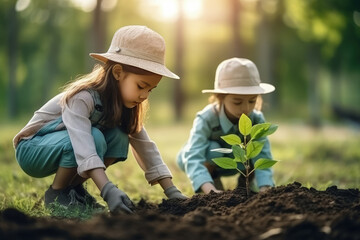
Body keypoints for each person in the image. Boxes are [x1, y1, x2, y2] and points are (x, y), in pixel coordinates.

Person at [13, 25, 187, 215]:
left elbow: (145, 147)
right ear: (118, 72)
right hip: (33, 148)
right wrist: (107, 189)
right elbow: (82, 142)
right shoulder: (83, 97)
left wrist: (172, 191)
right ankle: (56, 194)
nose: (145, 95)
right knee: (94, 136)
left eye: (150, 90)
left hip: (67, 145)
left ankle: (73, 190)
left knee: (120, 136)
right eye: (141, 86)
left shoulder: (126, 107)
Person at [177, 57, 276, 194]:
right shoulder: (206, 118)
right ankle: (212, 184)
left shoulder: (256, 119)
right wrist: (210, 190)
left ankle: (245, 184)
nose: (246, 108)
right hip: (203, 160)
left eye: (252, 101)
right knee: (213, 149)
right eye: (237, 102)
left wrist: (265, 188)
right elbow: (193, 157)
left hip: (238, 163)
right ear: (220, 97)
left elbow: (263, 156)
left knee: (254, 149)